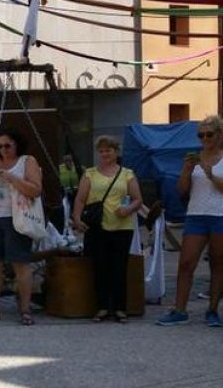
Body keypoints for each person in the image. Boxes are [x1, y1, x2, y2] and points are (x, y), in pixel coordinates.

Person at [157, 115, 223, 327]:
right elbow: (181, 191)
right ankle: (180, 310)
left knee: (218, 263)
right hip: (196, 214)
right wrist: (186, 171)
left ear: (219, 135)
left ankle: (212, 310)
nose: (204, 138)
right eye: (201, 135)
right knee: (186, 263)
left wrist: (208, 170)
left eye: (209, 134)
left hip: (220, 215)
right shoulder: (194, 158)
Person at [0, 128, 43, 326]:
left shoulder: (27, 161)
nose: (3, 150)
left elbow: (36, 190)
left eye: (7, 145)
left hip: (17, 217)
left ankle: (26, 309)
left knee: (20, 264)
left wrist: (11, 177)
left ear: (16, 144)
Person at [71, 136, 143, 323]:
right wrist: (77, 218)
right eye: (101, 151)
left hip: (122, 226)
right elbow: (80, 198)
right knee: (99, 267)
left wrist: (128, 209)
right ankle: (102, 306)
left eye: (108, 150)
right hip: (97, 226)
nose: (105, 154)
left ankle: (120, 308)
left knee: (119, 267)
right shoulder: (90, 173)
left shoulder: (127, 173)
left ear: (116, 151)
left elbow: (137, 199)